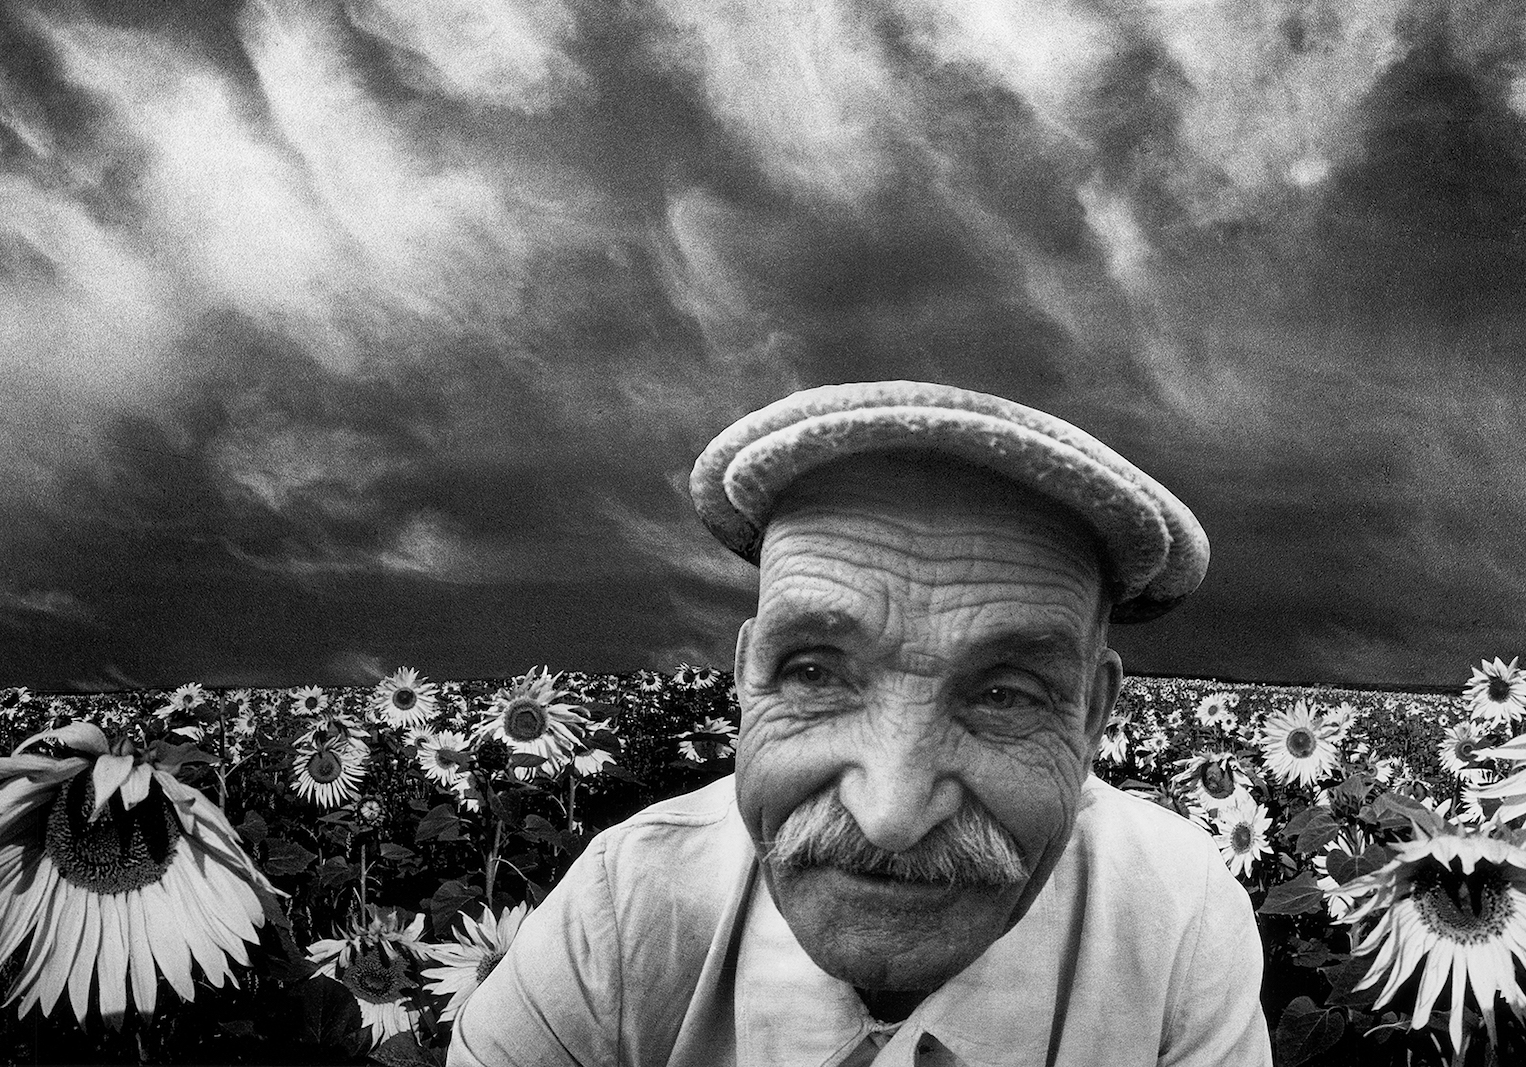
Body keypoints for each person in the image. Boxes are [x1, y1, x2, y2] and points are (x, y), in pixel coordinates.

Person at [450, 381, 1270, 1066]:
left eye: (1004, 695)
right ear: (747, 681)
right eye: (814, 674)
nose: (892, 816)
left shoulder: (1178, 923)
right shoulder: (622, 912)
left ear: (1091, 716)